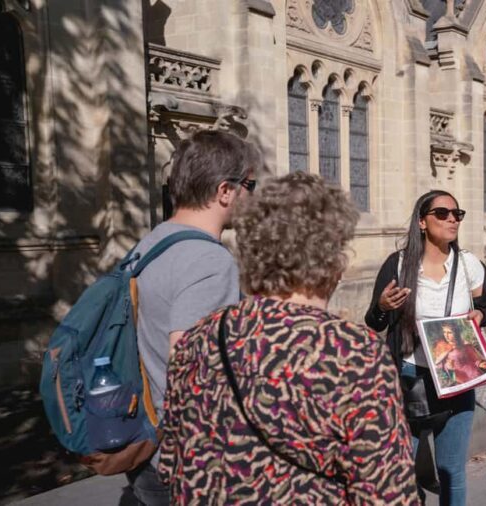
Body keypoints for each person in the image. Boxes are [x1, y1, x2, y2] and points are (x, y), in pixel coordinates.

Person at [159, 173, 418, 504]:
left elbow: (171, 464)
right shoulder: (353, 354)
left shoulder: (196, 341)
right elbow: (388, 495)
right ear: (333, 258)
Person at [126, 130, 261, 505]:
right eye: (250, 184)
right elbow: (192, 371)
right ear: (225, 191)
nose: (252, 194)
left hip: (148, 447)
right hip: (190, 462)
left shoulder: (150, 243)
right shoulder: (209, 260)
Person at [364, 190, 486, 506]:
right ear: (422, 222)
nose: (452, 219)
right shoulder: (398, 265)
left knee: (451, 471)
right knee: (400, 470)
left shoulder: (469, 265)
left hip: (457, 377)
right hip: (409, 377)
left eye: (457, 214)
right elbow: (375, 321)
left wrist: (479, 315)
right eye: (442, 213)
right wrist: (383, 305)